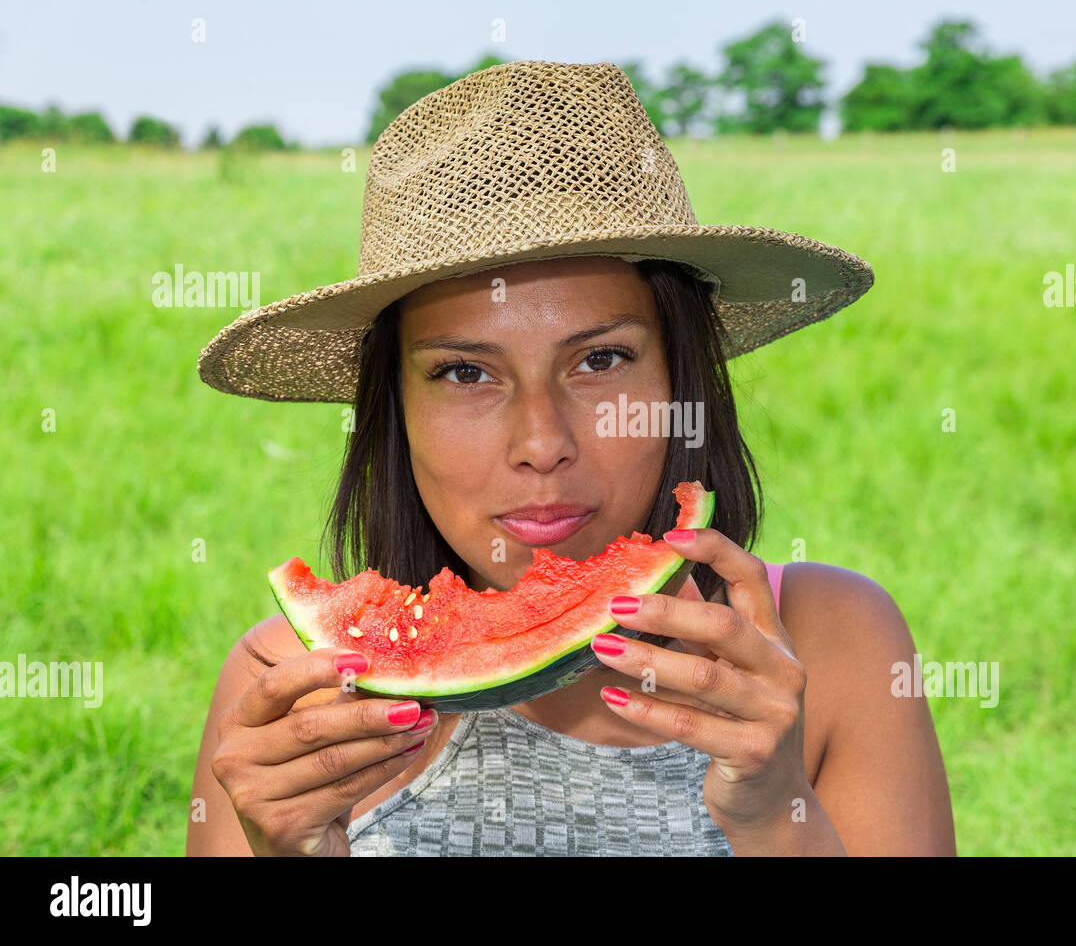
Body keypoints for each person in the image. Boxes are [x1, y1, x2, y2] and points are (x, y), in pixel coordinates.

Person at [186, 60, 955, 856]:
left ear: (681, 379)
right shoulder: (288, 696)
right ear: (395, 413)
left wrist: (771, 812)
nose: (543, 444)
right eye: (465, 372)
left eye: (600, 362)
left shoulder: (836, 643)